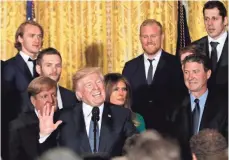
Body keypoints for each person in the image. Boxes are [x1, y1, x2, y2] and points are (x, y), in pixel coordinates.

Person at [38, 67, 137, 158]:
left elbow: (135, 148)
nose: (96, 88)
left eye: (99, 82)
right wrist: (45, 136)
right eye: (89, 85)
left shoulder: (121, 114)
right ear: (79, 94)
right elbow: (51, 155)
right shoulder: (63, 117)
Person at [122, 19, 185, 133]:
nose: (149, 41)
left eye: (153, 36)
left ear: (162, 37)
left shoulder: (176, 64)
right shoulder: (130, 67)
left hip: (169, 134)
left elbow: (182, 99)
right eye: (145, 36)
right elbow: (125, 100)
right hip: (137, 134)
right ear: (140, 38)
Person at [171, 54, 228, 160]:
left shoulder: (224, 107)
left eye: (195, 72)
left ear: (208, 74)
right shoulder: (175, 107)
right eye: (186, 72)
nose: (190, 77)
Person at [2, 20, 44, 160]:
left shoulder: (45, 66)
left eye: (39, 36)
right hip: (17, 138)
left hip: (42, 134)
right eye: (31, 36)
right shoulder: (8, 67)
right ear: (20, 38)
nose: (37, 40)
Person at [8, 76, 60, 160]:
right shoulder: (18, 126)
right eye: (44, 96)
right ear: (33, 101)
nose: (51, 100)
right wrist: (43, 136)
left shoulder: (66, 118)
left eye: (53, 95)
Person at [192, 1, 228, 98]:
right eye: (206, 19)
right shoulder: (194, 48)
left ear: (225, 20)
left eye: (214, 19)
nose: (209, 24)